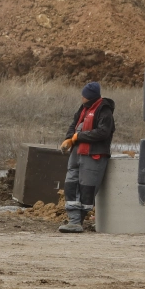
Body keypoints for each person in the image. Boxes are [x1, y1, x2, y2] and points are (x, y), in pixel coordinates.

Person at [57, 81, 115, 233]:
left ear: (91, 97)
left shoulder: (104, 111)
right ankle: (74, 220)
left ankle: (76, 221)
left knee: (86, 188)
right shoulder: (83, 108)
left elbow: (103, 132)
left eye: (84, 96)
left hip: (93, 155)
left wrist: (78, 137)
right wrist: (69, 138)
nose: (82, 98)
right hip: (77, 154)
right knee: (71, 184)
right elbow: (74, 125)